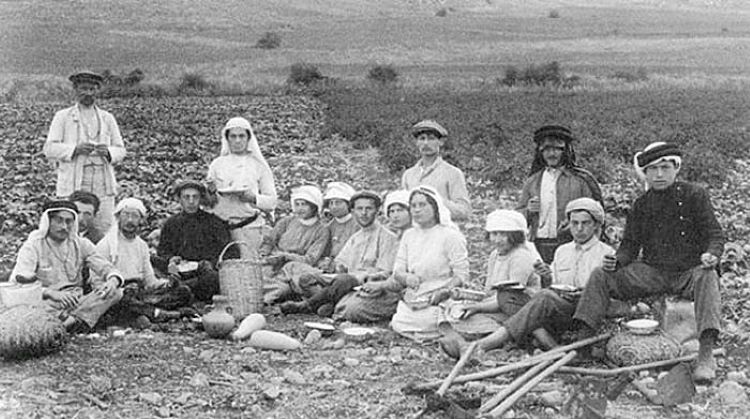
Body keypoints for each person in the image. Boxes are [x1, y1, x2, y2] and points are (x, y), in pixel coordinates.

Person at [573, 142, 724, 382]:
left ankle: (706, 354)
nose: (659, 174)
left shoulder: (695, 195)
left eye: (665, 167)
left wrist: (712, 254)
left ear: (676, 168)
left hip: (688, 272)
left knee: (708, 275)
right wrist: (617, 260)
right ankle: (583, 341)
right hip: (652, 272)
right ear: (645, 173)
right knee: (601, 275)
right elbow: (630, 246)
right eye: (652, 169)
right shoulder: (641, 204)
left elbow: (715, 235)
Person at [440, 198, 613, 359]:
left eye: (585, 223)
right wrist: (546, 275)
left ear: (596, 225)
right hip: (557, 310)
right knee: (507, 296)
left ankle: (481, 346)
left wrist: (581, 294)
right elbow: (553, 285)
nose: (579, 229)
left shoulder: (606, 254)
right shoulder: (563, 251)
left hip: (581, 314)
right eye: (575, 223)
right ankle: (550, 346)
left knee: (543, 297)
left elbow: (603, 295)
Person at [360, 185, 469, 341]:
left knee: (431, 319)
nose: (417, 210)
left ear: (435, 207)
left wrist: (445, 290)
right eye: (413, 206)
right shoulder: (409, 235)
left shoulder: (451, 236)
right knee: (399, 321)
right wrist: (406, 278)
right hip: (416, 298)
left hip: (441, 298)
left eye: (422, 205)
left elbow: (462, 275)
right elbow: (398, 271)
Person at [279, 190, 400, 317]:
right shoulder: (356, 237)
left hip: (367, 285)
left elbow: (385, 272)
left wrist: (359, 277)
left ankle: (308, 305)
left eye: (368, 208)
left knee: (346, 288)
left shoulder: (388, 237)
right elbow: (341, 263)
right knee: (306, 278)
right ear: (353, 211)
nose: (364, 213)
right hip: (343, 283)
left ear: (377, 211)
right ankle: (329, 303)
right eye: (359, 209)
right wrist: (333, 265)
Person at [9, 200, 124, 333]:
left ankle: (67, 324)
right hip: (47, 301)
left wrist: (112, 280)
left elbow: (106, 268)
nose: (64, 226)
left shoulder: (81, 244)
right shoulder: (33, 245)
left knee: (116, 292)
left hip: (77, 302)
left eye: (69, 221)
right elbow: (20, 283)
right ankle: (72, 323)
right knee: (29, 308)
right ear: (48, 221)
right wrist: (52, 293)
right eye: (59, 220)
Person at [43, 71, 127, 234]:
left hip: (102, 180)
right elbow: (49, 148)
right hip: (76, 179)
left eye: (92, 89)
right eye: (83, 88)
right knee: (72, 226)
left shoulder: (107, 118)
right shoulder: (63, 116)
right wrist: (75, 149)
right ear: (75, 90)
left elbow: (121, 149)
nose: (88, 93)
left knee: (103, 227)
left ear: (97, 91)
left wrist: (109, 152)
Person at [95, 198, 194, 325]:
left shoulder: (141, 245)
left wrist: (166, 284)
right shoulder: (106, 244)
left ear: (141, 220)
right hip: (118, 294)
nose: (130, 220)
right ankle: (157, 313)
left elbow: (149, 280)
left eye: (135, 216)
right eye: (126, 215)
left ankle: (147, 313)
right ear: (118, 217)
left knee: (183, 291)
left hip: (141, 293)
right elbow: (96, 282)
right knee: (124, 299)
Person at [442, 210, 540, 338]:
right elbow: (490, 291)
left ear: (515, 236)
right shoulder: (495, 255)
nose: (497, 239)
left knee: (471, 323)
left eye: (503, 235)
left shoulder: (521, 256)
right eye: (494, 234)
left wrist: (478, 307)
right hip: (494, 306)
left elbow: (510, 299)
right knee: (452, 311)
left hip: (517, 310)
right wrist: (467, 296)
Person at [516, 125, 602, 265]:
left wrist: (574, 222)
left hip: (572, 244)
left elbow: (596, 212)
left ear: (566, 151)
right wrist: (528, 211)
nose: (552, 154)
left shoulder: (581, 180)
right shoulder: (532, 181)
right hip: (539, 244)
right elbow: (518, 217)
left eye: (557, 149)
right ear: (540, 153)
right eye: (547, 149)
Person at [332, 190, 412, 323]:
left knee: (352, 307)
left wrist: (378, 283)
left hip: (394, 290)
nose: (395, 216)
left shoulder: (391, 237)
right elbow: (341, 261)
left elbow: (390, 273)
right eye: (392, 211)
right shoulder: (357, 236)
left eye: (400, 210)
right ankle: (332, 303)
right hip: (367, 285)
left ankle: (327, 304)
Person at [207, 116, 277, 259]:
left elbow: (272, 202)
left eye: (241, 136)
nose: (237, 140)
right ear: (227, 139)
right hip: (220, 230)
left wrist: (253, 198)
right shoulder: (217, 164)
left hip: (249, 228)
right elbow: (210, 203)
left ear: (248, 138)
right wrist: (211, 193)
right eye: (233, 136)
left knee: (248, 271)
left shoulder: (258, 165)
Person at [154, 180, 237, 302]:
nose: (191, 201)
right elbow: (163, 251)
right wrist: (171, 260)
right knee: (152, 261)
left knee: (212, 278)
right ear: (179, 199)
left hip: (203, 273)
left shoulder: (213, 222)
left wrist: (212, 263)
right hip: (178, 271)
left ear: (201, 199)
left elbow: (231, 251)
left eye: (195, 197)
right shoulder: (171, 223)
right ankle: (178, 288)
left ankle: (180, 290)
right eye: (186, 197)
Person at [260, 185, 330, 305]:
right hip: (274, 266)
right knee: (260, 277)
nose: (300, 208)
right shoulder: (287, 222)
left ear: (314, 206)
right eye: (297, 204)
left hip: (297, 268)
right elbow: (269, 241)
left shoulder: (321, 230)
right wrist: (264, 254)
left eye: (304, 204)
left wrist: (286, 256)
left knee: (288, 283)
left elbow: (310, 259)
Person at [401, 120, 472, 222]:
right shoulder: (408, 175)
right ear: (416, 142)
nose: (426, 143)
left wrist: (436, 201)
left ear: (440, 142)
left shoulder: (453, 173)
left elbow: (464, 212)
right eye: (422, 139)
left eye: (431, 139)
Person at [318, 182, 360, 272]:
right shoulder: (328, 227)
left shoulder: (358, 225)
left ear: (348, 204)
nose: (334, 207)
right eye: (331, 203)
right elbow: (323, 252)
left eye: (338, 203)